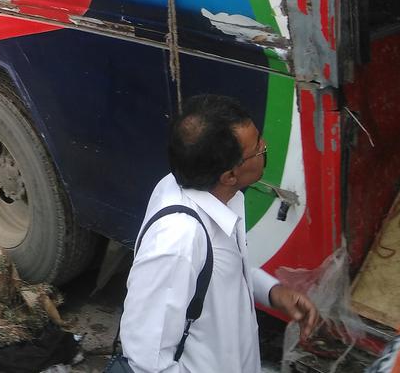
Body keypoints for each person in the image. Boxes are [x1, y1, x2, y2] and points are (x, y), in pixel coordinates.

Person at [119, 94, 321, 372]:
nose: (265, 147)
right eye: (257, 149)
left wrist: (273, 292)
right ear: (228, 176)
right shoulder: (178, 243)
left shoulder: (211, 195)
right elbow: (147, 361)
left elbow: (223, 271)